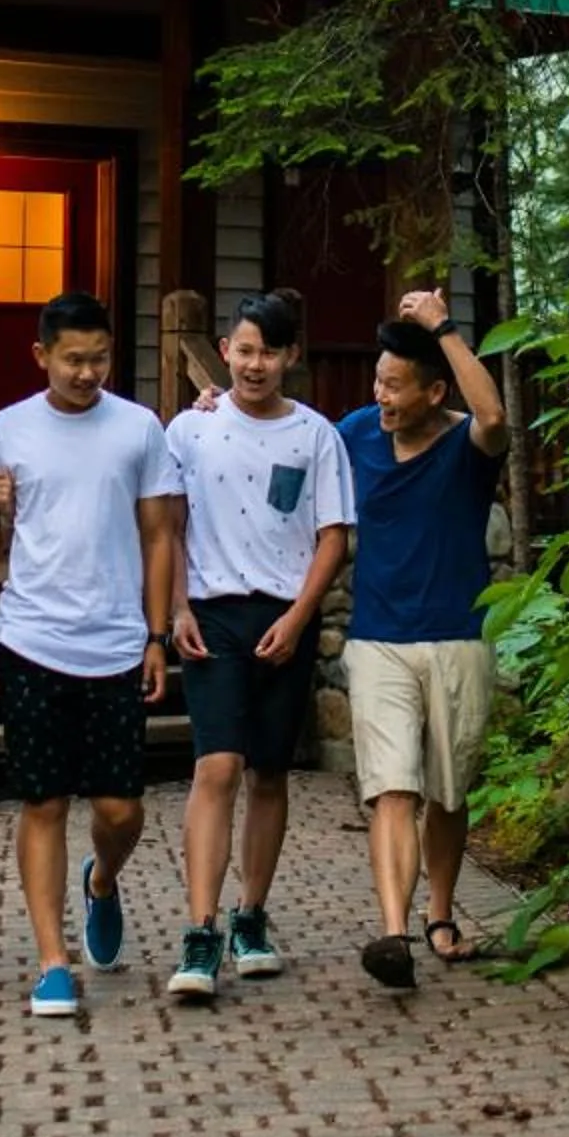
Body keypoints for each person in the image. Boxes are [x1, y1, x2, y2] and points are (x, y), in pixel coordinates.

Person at [0, 290, 180, 1019]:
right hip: (30, 637)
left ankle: (101, 880)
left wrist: (156, 635)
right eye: (74, 360)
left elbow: (159, 536)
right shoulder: (5, 432)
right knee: (43, 800)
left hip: (118, 642)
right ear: (42, 357)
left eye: (100, 359)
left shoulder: (140, 429)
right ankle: (53, 961)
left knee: (121, 809)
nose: (89, 373)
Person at [163, 288, 355, 1001]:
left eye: (269, 351)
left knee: (269, 772)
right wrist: (176, 606)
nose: (255, 364)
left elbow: (333, 534)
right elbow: (170, 526)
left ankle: (251, 918)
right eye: (244, 350)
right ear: (224, 351)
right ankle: (201, 930)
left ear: (291, 357)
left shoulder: (316, 435)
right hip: (213, 614)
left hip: (285, 615)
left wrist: (301, 618)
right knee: (217, 765)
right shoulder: (191, 429)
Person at [339, 288, 510, 992]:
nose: (381, 397)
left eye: (395, 386)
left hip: (458, 639)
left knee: (447, 788)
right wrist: (212, 408)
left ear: (434, 390)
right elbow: (287, 440)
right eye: (377, 382)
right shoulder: (354, 434)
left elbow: (495, 415)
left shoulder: (467, 444)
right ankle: (393, 931)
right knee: (392, 788)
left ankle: (440, 914)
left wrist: (444, 327)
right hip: (377, 638)